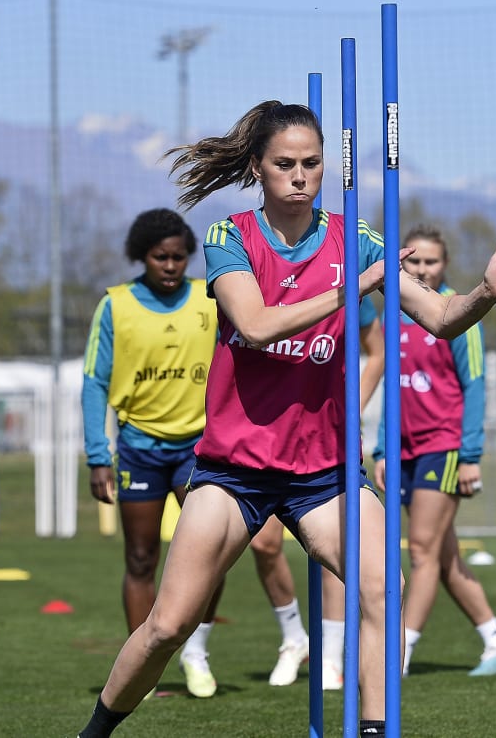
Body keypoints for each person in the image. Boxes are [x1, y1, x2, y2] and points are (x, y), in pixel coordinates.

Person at [75, 100, 496, 738]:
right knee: (167, 625)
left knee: (382, 589)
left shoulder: (357, 240)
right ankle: (97, 731)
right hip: (232, 471)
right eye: (284, 164)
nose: (300, 175)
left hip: (322, 473)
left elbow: (441, 319)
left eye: (312, 163)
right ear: (258, 168)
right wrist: (355, 286)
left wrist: (486, 293)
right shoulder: (230, 237)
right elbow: (256, 324)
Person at [82, 208, 320, 697]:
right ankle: (142, 679)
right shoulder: (116, 305)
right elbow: (93, 383)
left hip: (201, 449)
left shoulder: (210, 294)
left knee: (210, 558)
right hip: (140, 449)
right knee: (141, 558)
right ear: (141, 257)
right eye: (159, 257)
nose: (170, 266)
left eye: (178, 257)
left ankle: (196, 652)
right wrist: (96, 454)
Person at [371, 225, 496, 678]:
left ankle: (402, 649)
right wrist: (380, 448)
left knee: (421, 550)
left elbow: (474, 387)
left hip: (444, 447)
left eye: (430, 261)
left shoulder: (455, 315)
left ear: (445, 264)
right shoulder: (392, 314)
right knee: (444, 554)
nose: (421, 269)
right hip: (402, 452)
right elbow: (389, 390)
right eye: (412, 262)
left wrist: (471, 455)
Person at [249, 297, 384, 689]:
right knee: (264, 545)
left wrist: (352, 408)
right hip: (267, 437)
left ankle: (328, 655)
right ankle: (294, 638)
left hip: (328, 437)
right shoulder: (255, 275)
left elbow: (376, 353)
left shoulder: (344, 278)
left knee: (337, 549)